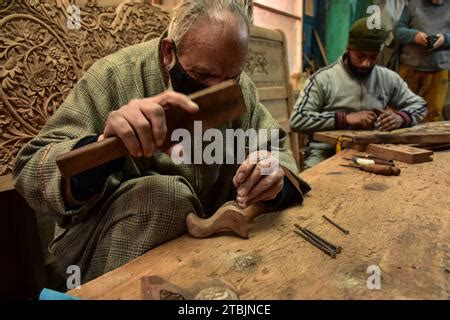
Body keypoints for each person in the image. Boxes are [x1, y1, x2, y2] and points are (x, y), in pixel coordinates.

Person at [13, 0, 310, 283]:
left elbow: (275, 148)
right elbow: (30, 170)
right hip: (108, 248)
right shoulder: (114, 75)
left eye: (230, 77)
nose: (217, 92)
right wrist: (103, 146)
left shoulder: (239, 86)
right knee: (164, 198)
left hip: (206, 247)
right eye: (201, 75)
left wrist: (273, 177)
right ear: (169, 52)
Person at [290, 18, 427, 169]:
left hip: (374, 151)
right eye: (360, 56)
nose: (366, 63)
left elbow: (420, 106)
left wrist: (401, 118)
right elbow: (298, 119)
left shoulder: (388, 78)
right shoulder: (322, 79)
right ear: (349, 48)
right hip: (327, 152)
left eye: (373, 57)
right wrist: (345, 119)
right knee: (314, 185)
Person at [394, 0, 450, 122]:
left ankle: (427, 141)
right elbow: (398, 31)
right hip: (410, 68)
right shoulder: (414, 5)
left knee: (432, 115)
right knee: (400, 110)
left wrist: (445, 39)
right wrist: (414, 36)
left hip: (439, 71)